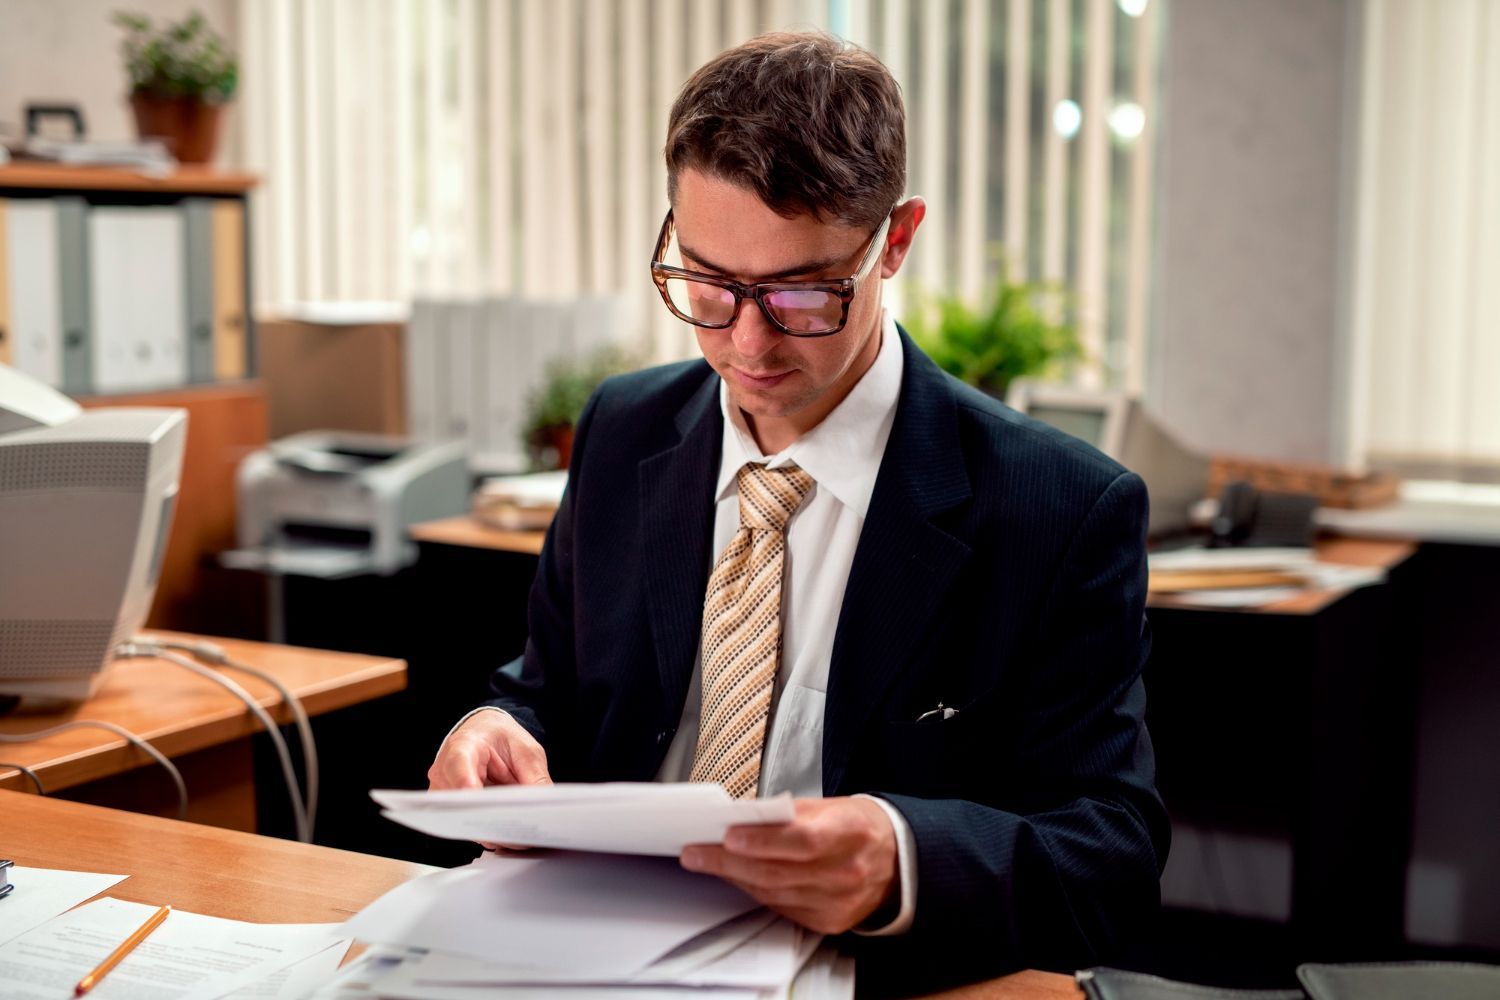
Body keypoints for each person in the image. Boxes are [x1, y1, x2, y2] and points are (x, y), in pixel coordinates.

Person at [429, 30, 1167, 994]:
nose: (746, 343)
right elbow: (550, 691)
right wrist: (495, 725)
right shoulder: (623, 429)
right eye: (706, 282)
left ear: (894, 242)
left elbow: (1110, 857)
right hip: (594, 957)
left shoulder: (1060, 507)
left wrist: (904, 854)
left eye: (801, 294)